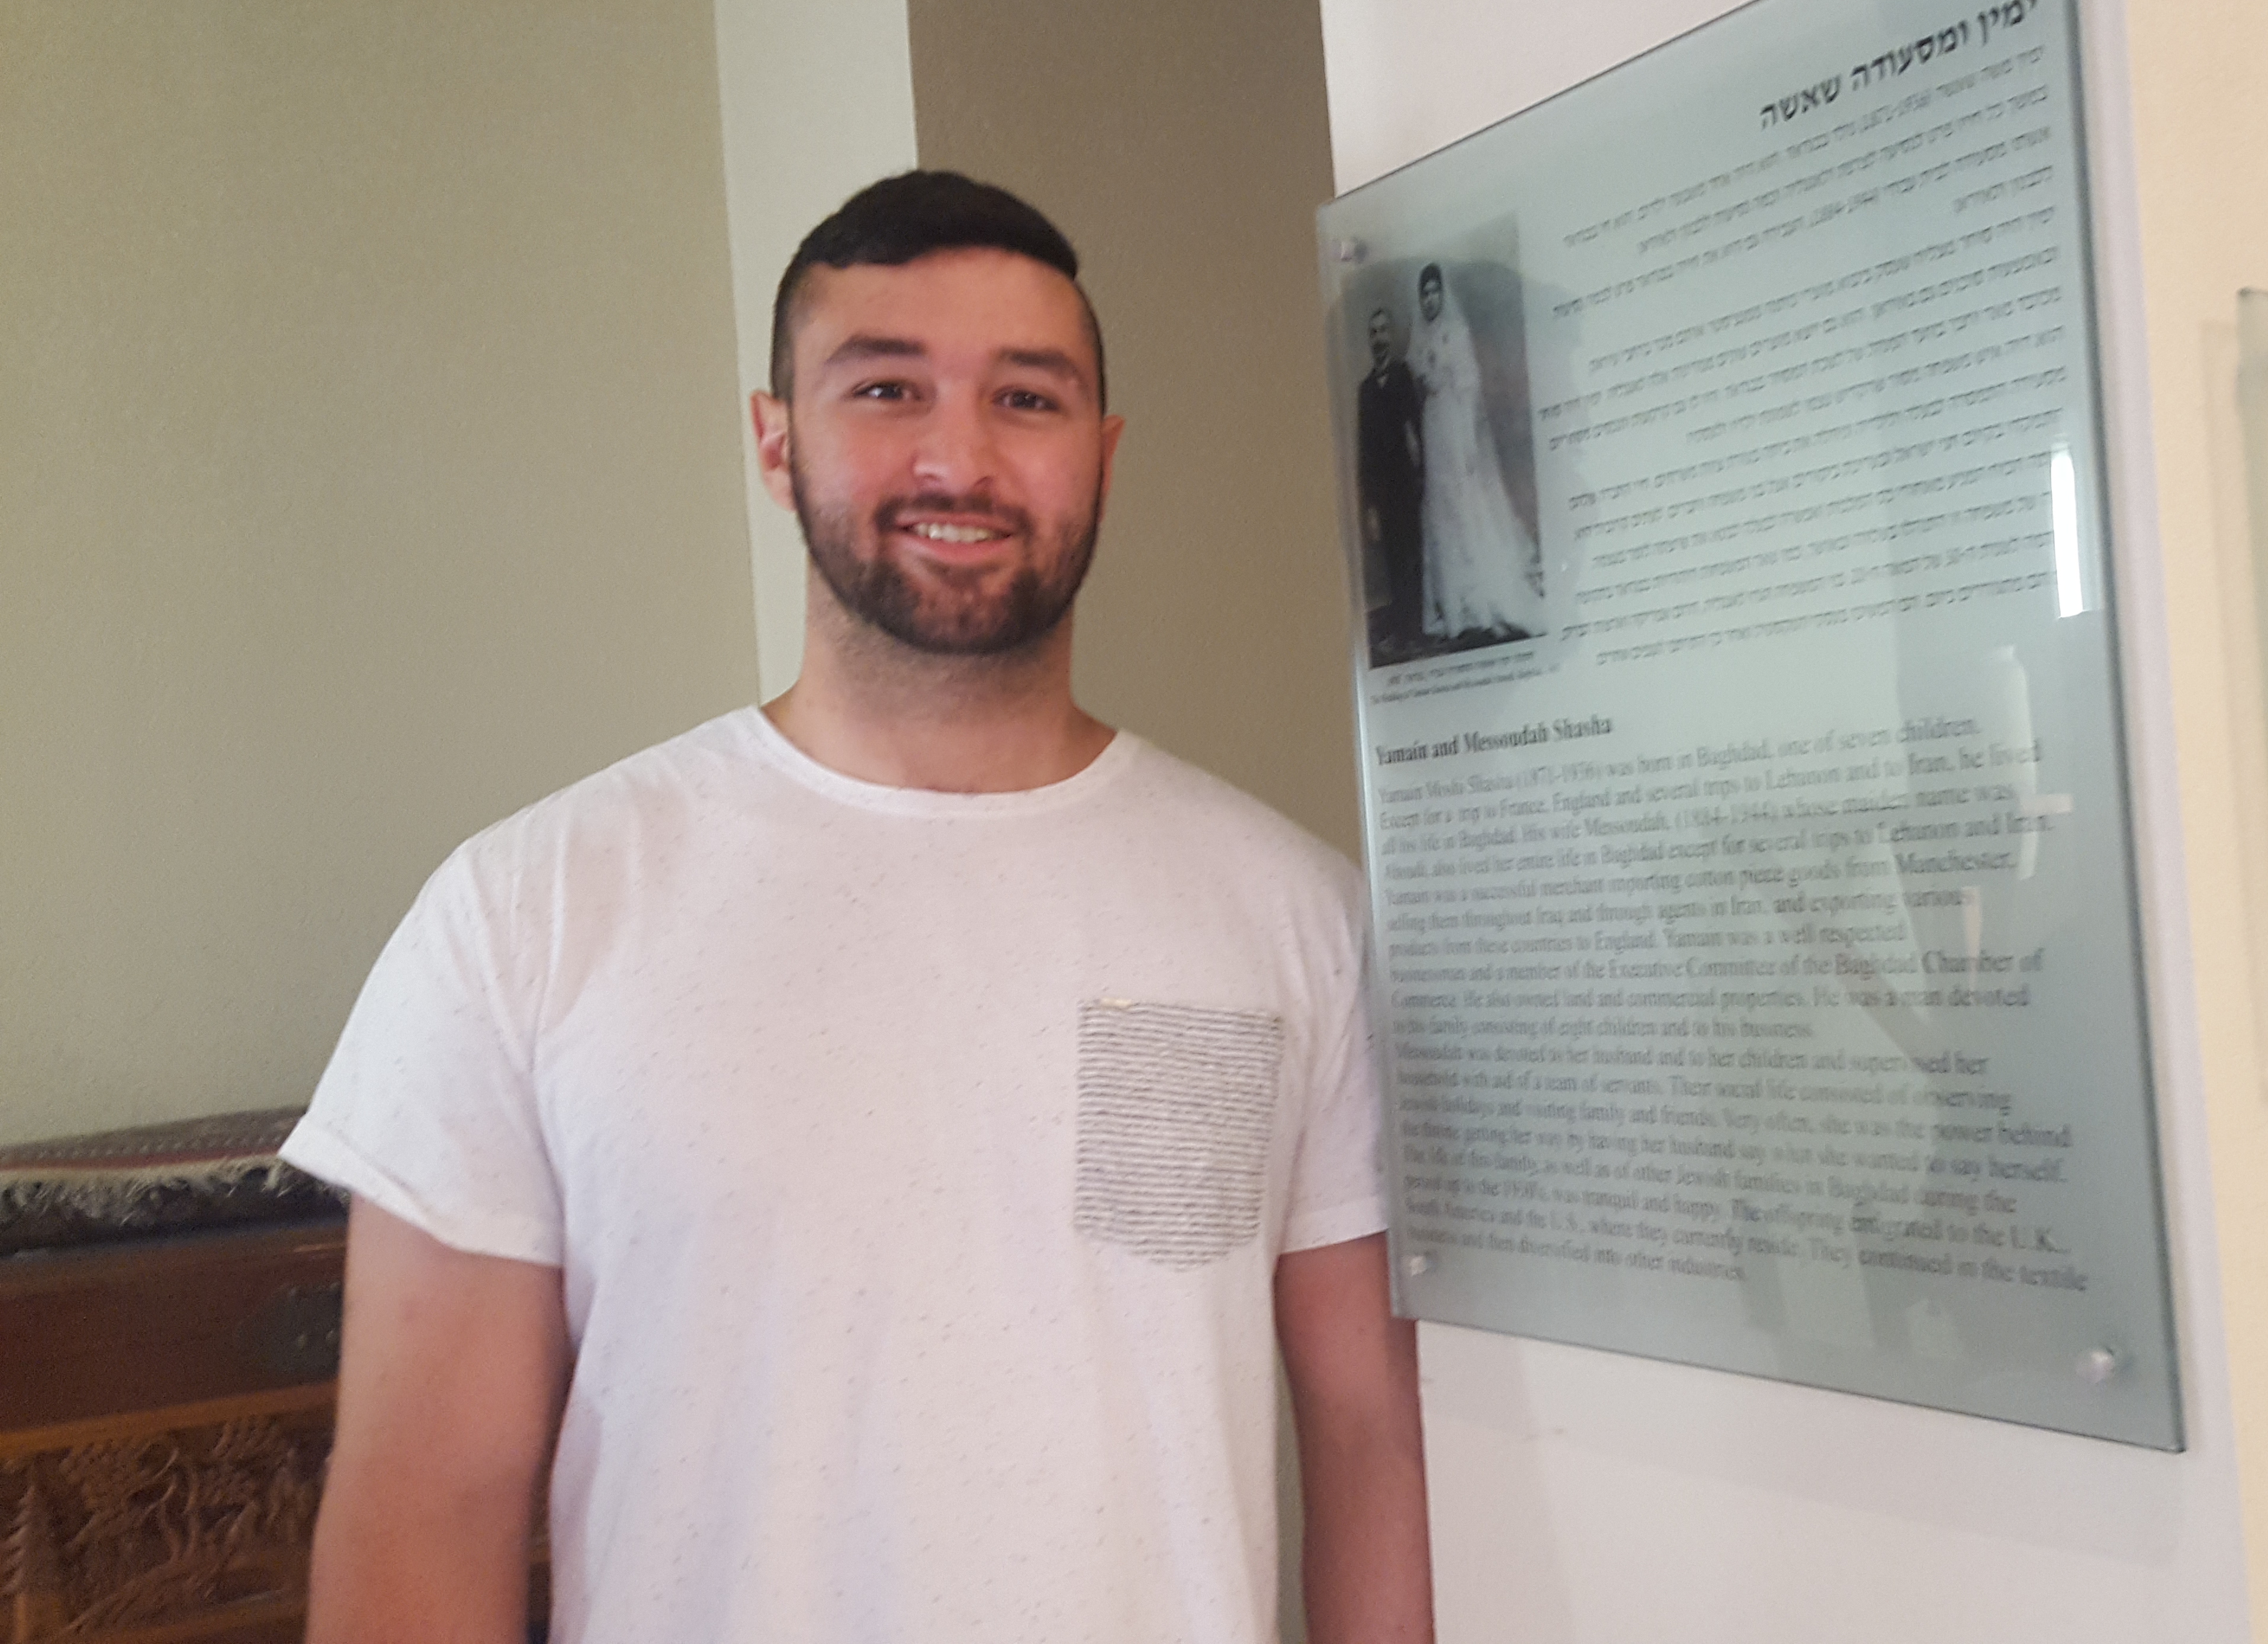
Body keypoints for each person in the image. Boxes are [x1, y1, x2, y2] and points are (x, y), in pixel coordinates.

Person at [282, 170, 1433, 1644]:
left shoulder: (1293, 917)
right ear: (775, 441)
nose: (958, 458)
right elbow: (427, 1504)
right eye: (886, 388)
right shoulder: (529, 912)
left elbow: (1373, 1442)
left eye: (1026, 398)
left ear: (1102, 453)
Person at [1406, 263, 1543, 641]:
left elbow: (1469, 391)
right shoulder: (1419, 338)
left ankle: (1479, 597)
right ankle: (1453, 603)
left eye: (1434, 292)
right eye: (1424, 294)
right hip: (1433, 425)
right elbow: (1419, 383)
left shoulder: (1458, 331)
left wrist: (1468, 443)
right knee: (1441, 509)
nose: (1430, 300)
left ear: (1442, 294)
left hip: (1456, 423)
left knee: (1465, 504)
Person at [1353, 305, 1427, 663]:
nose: (1379, 339)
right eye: (1374, 333)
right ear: (1369, 341)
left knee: (1413, 555)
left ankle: (1416, 629)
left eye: (1384, 331)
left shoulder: (1402, 376)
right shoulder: (1365, 390)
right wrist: (1369, 509)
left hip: (1406, 483)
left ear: (1392, 336)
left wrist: (1420, 475)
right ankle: (1401, 630)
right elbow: (1364, 454)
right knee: (1393, 559)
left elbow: (1414, 430)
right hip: (1382, 493)